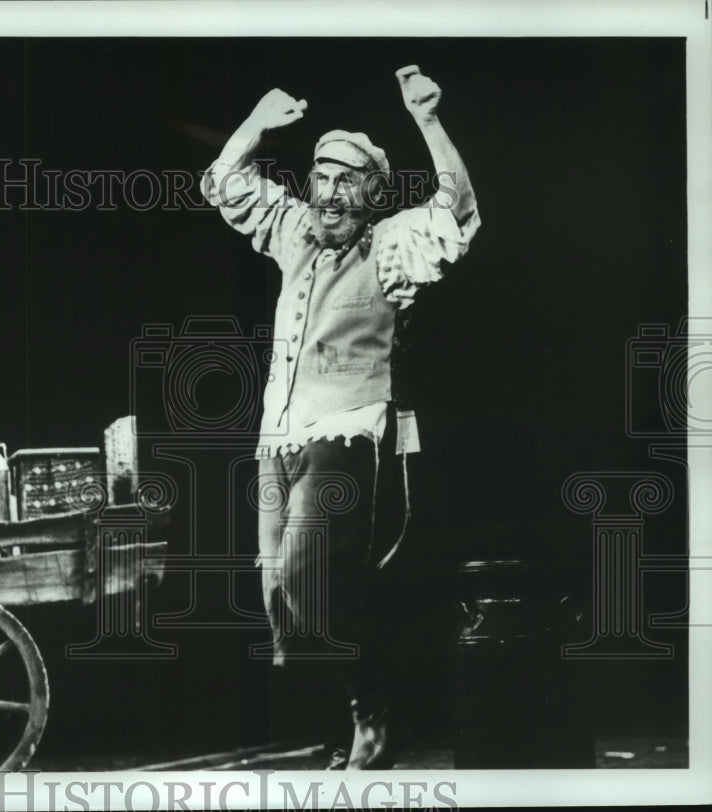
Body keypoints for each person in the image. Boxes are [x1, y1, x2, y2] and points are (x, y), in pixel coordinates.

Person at [201, 66, 480, 769]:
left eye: (346, 182)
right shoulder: (294, 231)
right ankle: (362, 722)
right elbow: (224, 184)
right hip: (277, 436)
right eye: (321, 177)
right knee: (284, 593)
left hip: (347, 430)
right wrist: (258, 124)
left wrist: (428, 121)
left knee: (308, 574)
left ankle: (376, 716)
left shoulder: (390, 247)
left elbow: (458, 213)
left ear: (373, 195)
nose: (328, 192)